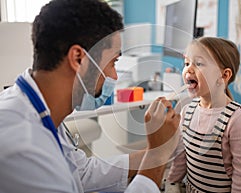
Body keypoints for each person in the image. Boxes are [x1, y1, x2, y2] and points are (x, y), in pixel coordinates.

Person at [0, 0, 181, 192]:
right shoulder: (22, 143)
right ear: (79, 58)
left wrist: (159, 149)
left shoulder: (43, 112)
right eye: (113, 62)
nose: (114, 76)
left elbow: (82, 173)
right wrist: (157, 157)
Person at [165, 37, 241, 193]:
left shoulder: (236, 120)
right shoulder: (187, 111)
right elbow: (181, 158)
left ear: (224, 75)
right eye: (186, 63)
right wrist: (171, 183)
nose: (189, 69)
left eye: (198, 64)